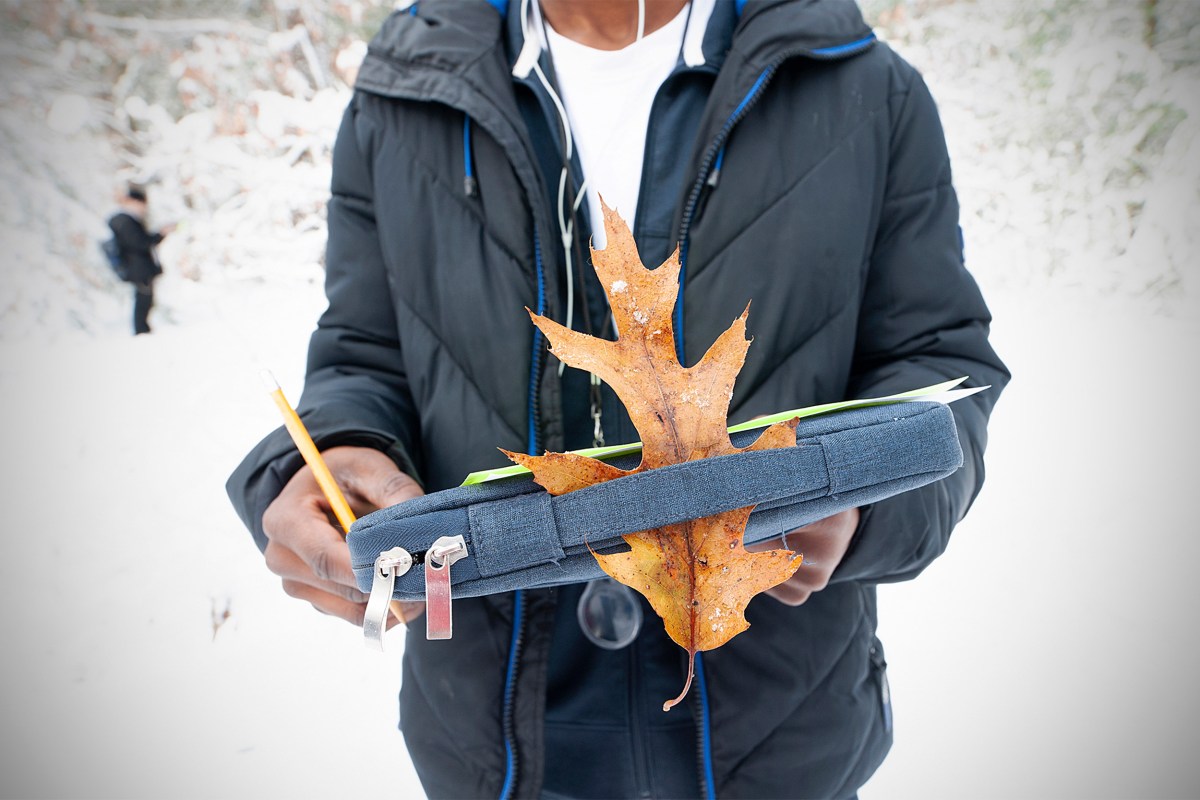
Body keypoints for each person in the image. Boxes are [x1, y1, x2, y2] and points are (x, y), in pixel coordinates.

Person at [227, 0, 1010, 797]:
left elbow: (939, 362)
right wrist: (332, 456)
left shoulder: (861, 86)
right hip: (489, 732)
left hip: (778, 723)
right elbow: (364, 352)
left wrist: (863, 502)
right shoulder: (406, 92)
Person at [108, 185, 171, 335]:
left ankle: (142, 331)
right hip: (137, 267)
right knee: (143, 299)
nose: (144, 208)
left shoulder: (125, 220)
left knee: (145, 299)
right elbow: (140, 243)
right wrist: (160, 234)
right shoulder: (125, 221)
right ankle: (141, 332)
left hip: (137, 267)